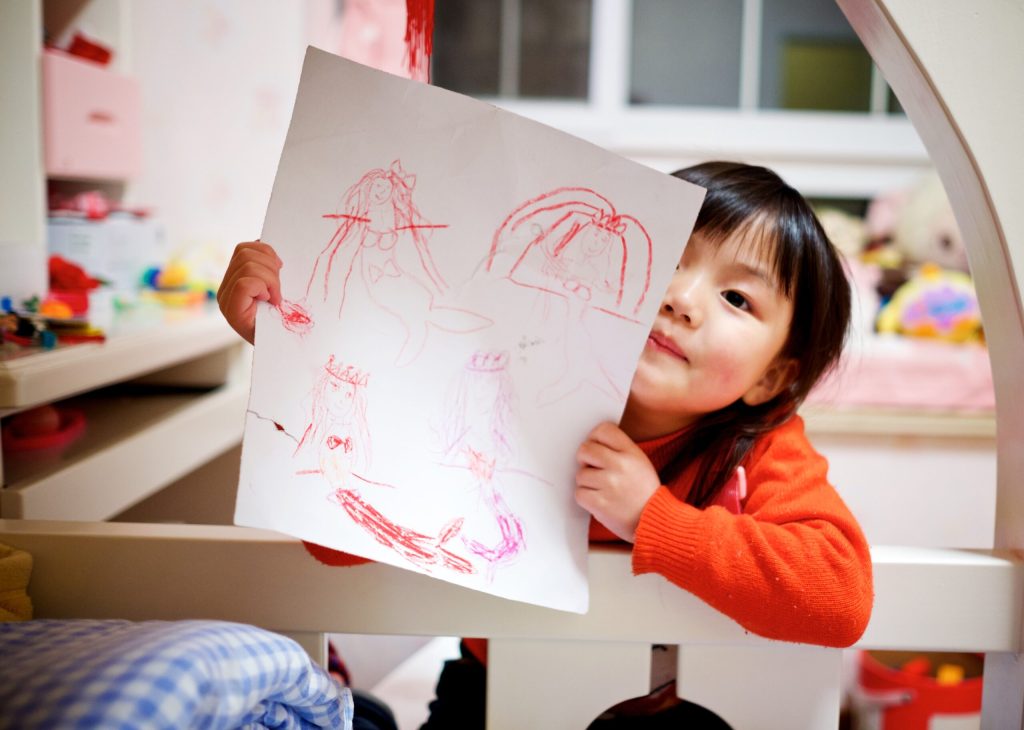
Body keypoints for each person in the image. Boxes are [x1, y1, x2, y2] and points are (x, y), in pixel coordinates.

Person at [217, 161, 873, 728]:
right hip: (495, 690)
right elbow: (334, 544)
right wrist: (292, 351)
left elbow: (840, 597)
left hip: (675, 713)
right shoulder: (512, 391)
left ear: (773, 378)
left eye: (735, 297)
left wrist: (653, 519)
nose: (680, 298)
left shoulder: (761, 446)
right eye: (668, 259)